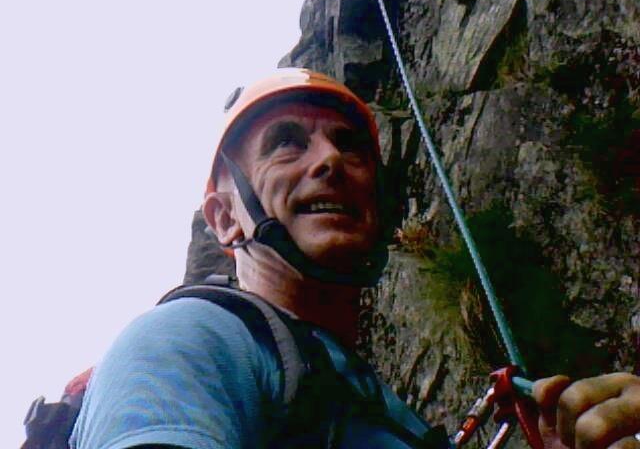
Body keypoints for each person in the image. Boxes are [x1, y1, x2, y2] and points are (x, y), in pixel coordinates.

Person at [70, 68, 640, 449]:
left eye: (351, 147)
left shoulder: (358, 391)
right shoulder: (188, 341)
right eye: (287, 143)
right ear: (225, 218)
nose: (330, 161)